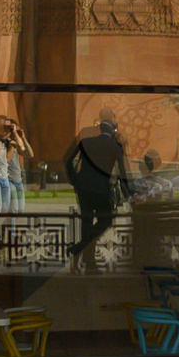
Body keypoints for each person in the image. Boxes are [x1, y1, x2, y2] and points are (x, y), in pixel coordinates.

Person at [62, 111, 128, 268]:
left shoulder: (86, 141)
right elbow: (122, 173)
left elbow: (68, 159)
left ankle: (87, 258)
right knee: (106, 220)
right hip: (101, 190)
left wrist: (74, 180)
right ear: (112, 130)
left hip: (83, 188)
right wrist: (128, 193)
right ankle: (81, 251)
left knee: (87, 222)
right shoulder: (115, 146)